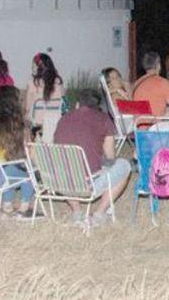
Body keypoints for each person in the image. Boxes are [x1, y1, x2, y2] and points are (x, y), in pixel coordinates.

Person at [52, 89, 133, 227]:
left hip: (60, 181)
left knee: (68, 165)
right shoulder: (103, 119)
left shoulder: (63, 119)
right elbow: (110, 157)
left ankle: (77, 212)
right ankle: (99, 213)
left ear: (77, 104)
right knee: (124, 165)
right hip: (87, 183)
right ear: (98, 106)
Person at [0, 85, 35, 218]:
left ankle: (7, 205)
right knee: (29, 171)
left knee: (5, 168)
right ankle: (23, 207)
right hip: (0, 174)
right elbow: (20, 154)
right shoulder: (14, 123)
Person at [24, 52, 65, 132]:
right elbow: (62, 103)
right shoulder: (58, 82)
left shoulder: (33, 83)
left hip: (36, 125)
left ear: (37, 67)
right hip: (54, 124)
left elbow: (27, 108)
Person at [131, 52, 169, 119]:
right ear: (158, 65)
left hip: (138, 126)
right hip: (157, 126)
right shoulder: (163, 83)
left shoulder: (137, 83)